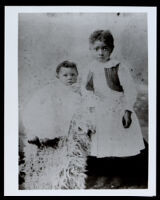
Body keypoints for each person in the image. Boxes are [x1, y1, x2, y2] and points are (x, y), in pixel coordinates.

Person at [82, 30, 147, 188]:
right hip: (99, 109)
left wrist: (127, 111)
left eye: (105, 48)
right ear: (91, 49)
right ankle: (104, 175)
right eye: (96, 49)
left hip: (117, 108)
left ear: (111, 49)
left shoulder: (118, 67)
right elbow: (87, 89)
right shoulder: (91, 67)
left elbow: (130, 90)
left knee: (119, 144)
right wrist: (90, 107)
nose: (100, 52)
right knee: (102, 144)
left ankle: (119, 176)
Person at [20, 60, 95, 189]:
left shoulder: (80, 92)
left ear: (77, 75)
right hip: (53, 126)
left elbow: (86, 108)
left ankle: (67, 181)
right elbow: (36, 107)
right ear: (58, 77)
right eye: (65, 75)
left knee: (70, 161)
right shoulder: (51, 90)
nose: (70, 78)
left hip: (71, 131)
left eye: (73, 75)